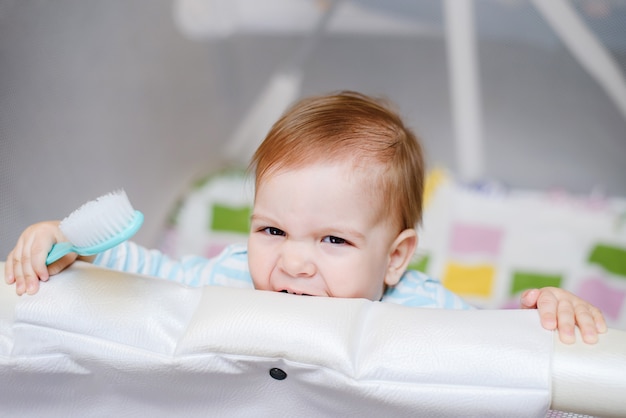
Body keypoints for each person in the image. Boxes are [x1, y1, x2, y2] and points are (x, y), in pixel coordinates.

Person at [4, 91, 606, 344]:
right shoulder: (235, 276)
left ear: (395, 258)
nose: (292, 261)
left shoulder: (423, 313)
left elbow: (496, 356)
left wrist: (543, 314)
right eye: (272, 230)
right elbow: (149, 273)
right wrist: (72, 245)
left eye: (333, 240)